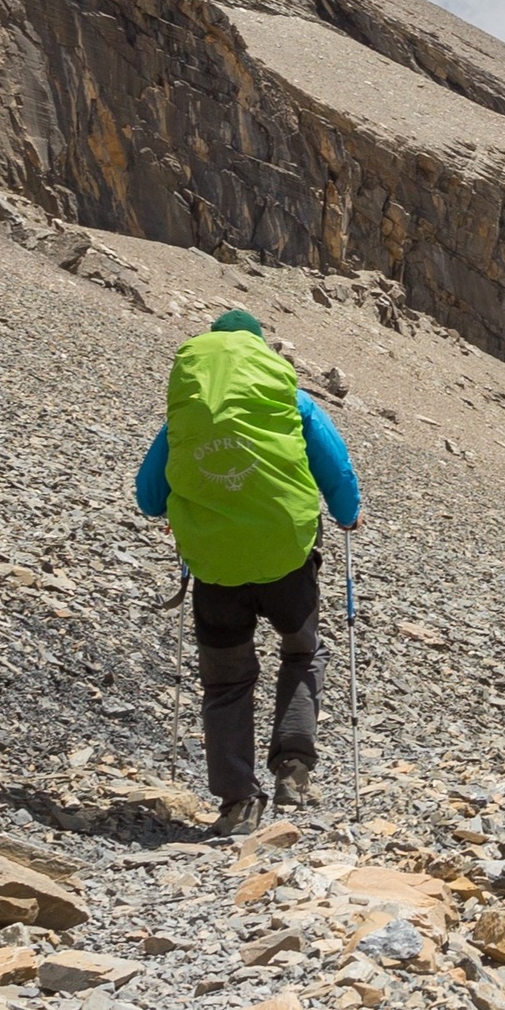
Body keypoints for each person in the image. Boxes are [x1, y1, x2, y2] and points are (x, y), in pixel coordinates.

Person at [133, 309, 361, 832]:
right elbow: (337, 469)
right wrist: (348, 514)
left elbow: (148, 497)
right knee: (303, 651)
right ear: (261, 352)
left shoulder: (187, 417)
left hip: (215, 569)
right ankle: (293, 768)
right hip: (287, 559)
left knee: (227, 681)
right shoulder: (291, 401)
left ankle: (238, 802)